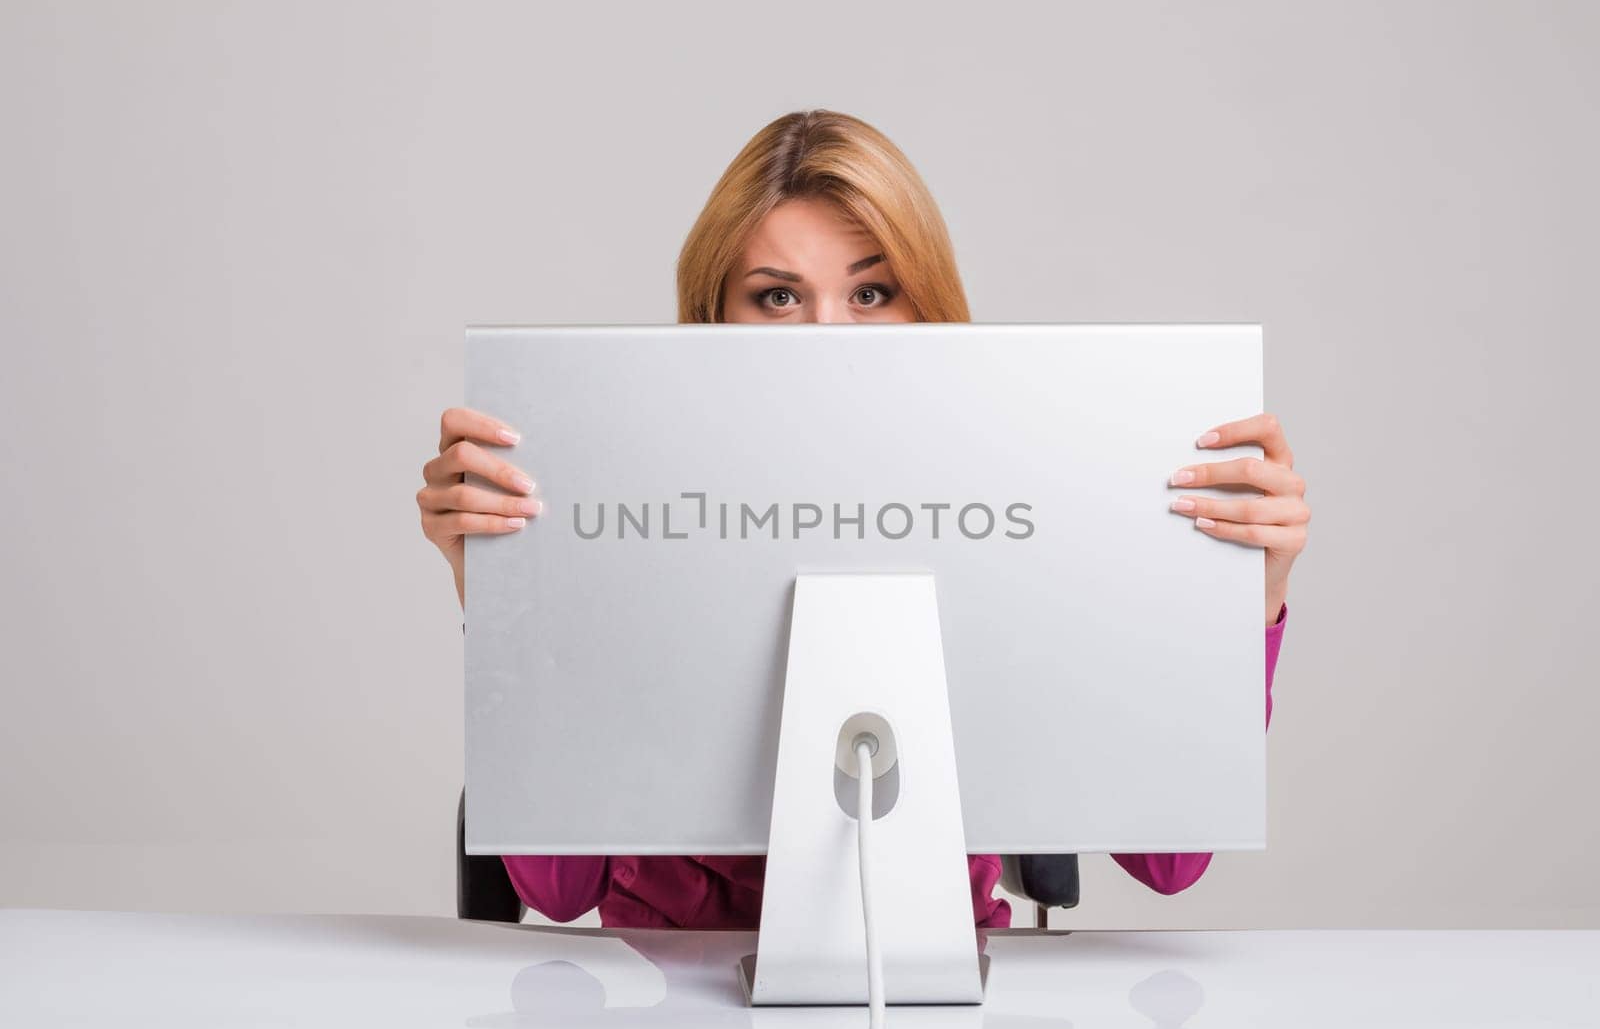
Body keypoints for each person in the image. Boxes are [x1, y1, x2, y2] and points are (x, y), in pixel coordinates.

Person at [416, 110, 1309, 929]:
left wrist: (1246, 600)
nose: (827, 336)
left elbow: (1170, 857)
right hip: (667, 995)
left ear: (929, 305)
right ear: (711, 317)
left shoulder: (1026, 488)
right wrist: (497, 588)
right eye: (777, 296)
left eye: (872, 293)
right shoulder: (620, 500)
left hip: (943, 988)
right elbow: (558, 891)